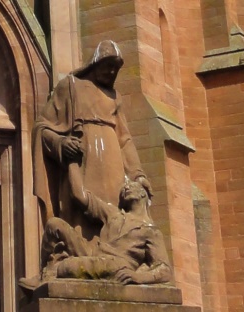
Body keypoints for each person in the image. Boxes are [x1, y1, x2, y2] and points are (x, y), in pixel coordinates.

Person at [34, 41, 152, 240]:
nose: (112, 72)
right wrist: (60, 144)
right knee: (80, 207)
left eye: (116, 69)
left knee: (114, 217)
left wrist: (137, 174)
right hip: (82, 163)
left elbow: (125, 140)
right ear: (95, 63)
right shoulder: (70, 87)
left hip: (113, 168)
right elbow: (42, 127)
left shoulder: (115, 97)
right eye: (108, 66)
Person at [43, 172, 172, 285]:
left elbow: (164, 269)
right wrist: (71, 160)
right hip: (92, 253)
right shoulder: (113, 213)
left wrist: (139, 277)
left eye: (132, 186)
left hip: (117, 263)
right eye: (124, 188)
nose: (126, 187)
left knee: (68, 267)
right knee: (54, 224)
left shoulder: (151, 230)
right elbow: (80, 195)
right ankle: (44, 274)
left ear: (143, 194)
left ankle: (56, 271)